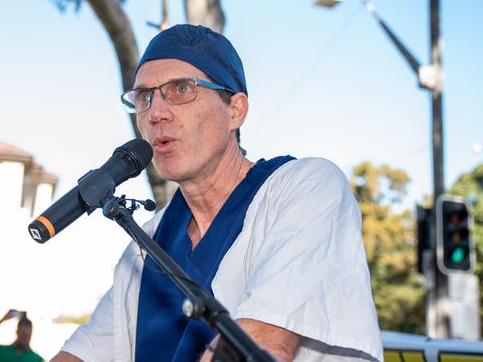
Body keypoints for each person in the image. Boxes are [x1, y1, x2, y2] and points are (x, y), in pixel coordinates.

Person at [50, 24, 383, 362]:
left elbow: (265, 342)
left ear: (235, 110)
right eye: (144, 97)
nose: (155, 113)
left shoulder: (305, 188)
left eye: (181, 89)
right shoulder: (145, 246)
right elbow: (84, 353)